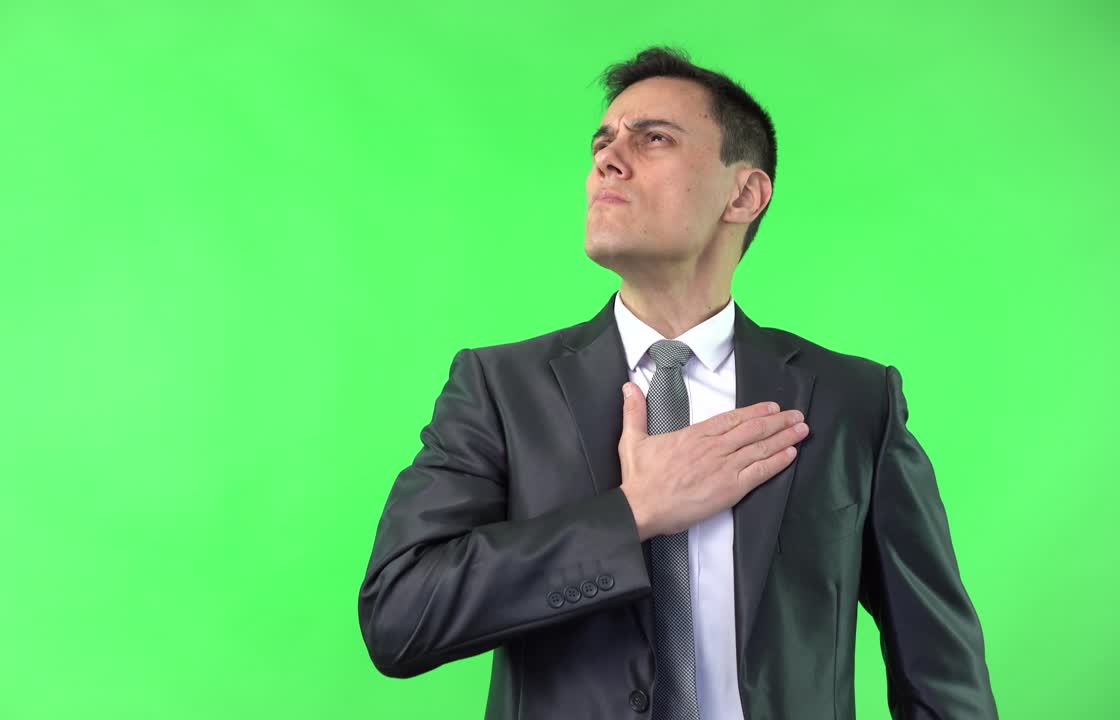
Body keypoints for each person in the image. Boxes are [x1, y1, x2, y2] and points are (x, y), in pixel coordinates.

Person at [357, 46, 997, 719]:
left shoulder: (852, 401)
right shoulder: (500, 388)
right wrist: (634, 513)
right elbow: (399, 616)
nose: (608, 159)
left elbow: (941, 675)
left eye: (653, 138)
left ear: (743, 195)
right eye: (602, 143)